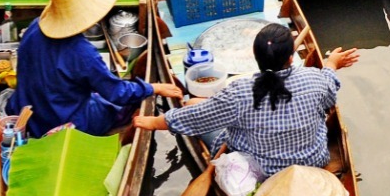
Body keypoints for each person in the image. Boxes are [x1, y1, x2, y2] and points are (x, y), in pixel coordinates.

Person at [134, 23, 359, 177]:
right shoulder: (314, 77)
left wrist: (154, 122)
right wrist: (331, 64)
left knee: (192, 105)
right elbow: (329, 92)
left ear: (256, 57)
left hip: (263, 171)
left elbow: (193, 119)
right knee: (201, 107)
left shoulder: (240, 92)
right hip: (315, 160)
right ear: (291, 58)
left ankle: (196, 103)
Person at [16, 0, 178, 137]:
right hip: (61, 122)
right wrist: (154, 87)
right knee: (120, 106)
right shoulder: (81, 52)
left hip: (30, 110)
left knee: (95, 93)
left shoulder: (35, 25)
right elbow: (117, 93)